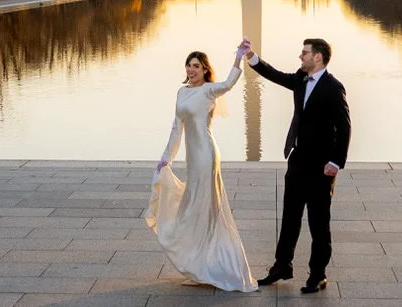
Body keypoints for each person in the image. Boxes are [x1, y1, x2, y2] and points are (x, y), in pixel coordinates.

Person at [239, 36, 350, 295]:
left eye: (305, 53)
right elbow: (276, 75)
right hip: (298, 161)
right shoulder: (300, 79)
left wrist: (335, 161)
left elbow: (345, 127)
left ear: (318, 57)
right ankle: (282, 266)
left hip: (321, 166)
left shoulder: (333, 87)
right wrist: (251, 57)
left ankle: (318, 275)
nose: (300, 56)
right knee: (289, 218)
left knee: (318, 223)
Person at [145, 46, 256, 292]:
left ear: (205, 69)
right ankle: (198, 266)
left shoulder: (209, 90)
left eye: (196, 66)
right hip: (192, 159)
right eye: (188, 65)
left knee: (204, 210)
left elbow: (228, 83)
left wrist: (238, 58)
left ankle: (214, 267)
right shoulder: (182, 92)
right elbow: (176, 129)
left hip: (206, 155)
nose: (191, 69)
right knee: (192, 210)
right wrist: (166, 158)